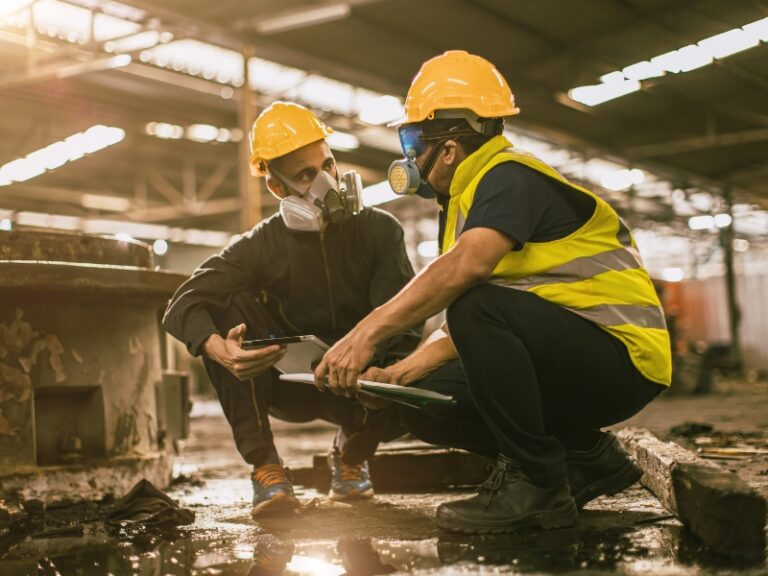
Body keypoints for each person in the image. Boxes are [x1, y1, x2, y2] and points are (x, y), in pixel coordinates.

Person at [315, 51, 671, 534]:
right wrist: (400, 375)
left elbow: (472, 280)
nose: (409, 156)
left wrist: (366, 334)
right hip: (576, 353)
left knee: (472, 301)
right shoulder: (467, 198)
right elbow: (489, 323)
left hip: (622, 359)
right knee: (425, 402)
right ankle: (583, 459)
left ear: (449, 148)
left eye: (413, 139)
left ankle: (538, 483)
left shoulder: (507, 175)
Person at [163, 102, 419, 518]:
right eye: (305, 175)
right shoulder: (262, 244)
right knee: (227, 307)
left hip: (359, 386)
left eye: (328, 165)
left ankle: (351, 453)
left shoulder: (380, 231)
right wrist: (218, 348)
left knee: (405, 355)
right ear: (277, 188)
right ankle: (266, 468)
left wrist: (380, 367)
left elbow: (404, 322)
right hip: (289, 385)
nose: (326, 182)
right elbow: (185, 300)